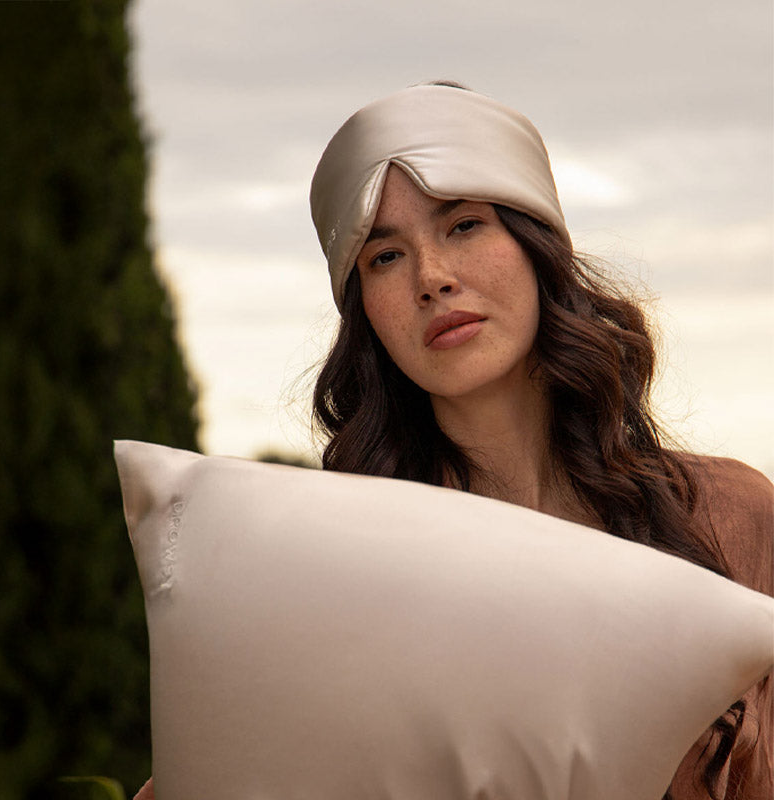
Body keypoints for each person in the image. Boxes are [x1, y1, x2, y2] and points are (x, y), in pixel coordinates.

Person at [134, 83, 772, 800]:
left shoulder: (731, 516)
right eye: (384, 257)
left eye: (463, 226)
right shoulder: (331, 569)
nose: (432, 279)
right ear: (364, 313)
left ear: (536, 246)